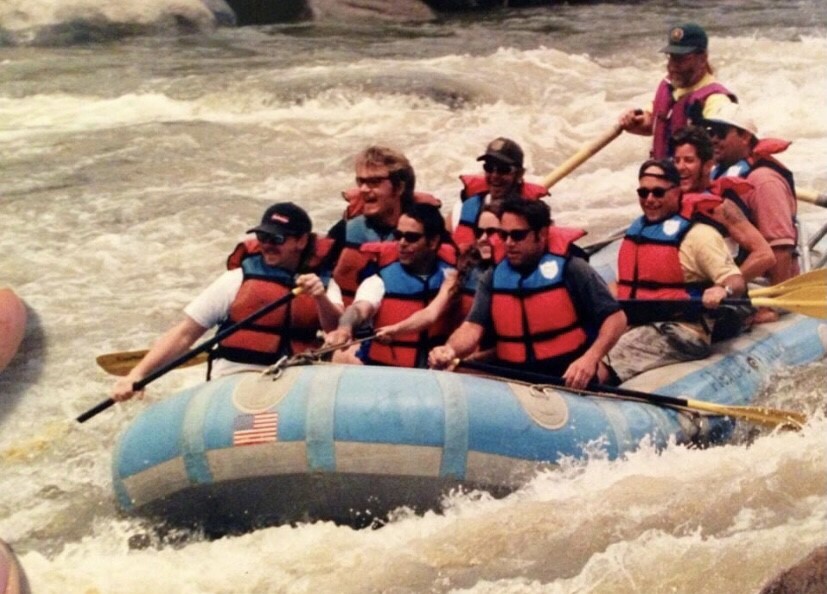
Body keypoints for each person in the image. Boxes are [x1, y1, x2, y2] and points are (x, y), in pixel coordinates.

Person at [111, 202, 340, 402]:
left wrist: (319, 298)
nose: (267, 244)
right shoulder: (236, 280)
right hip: (234, 382)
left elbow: (337, 332)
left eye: (277, 239)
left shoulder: (323, 285)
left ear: (300, 242)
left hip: (293, 382)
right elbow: (185, 333)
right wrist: (137, 375)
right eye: (262, 237)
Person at [430, 198, 627, 390]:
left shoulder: (572, 268)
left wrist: (590, 359)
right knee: (453, 370)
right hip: (514, 373)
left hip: (565, 373)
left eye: (517, 235)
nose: (508, 243)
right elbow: (472, 328)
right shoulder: (493, 277)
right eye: (503, 235)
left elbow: (616, 319)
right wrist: (450, 349)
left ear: (541, 234)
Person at [601, 160, 745, 384]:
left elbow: (736, 281)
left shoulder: (699, 236)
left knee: (601, 359)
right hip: (636, 322)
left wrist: (721, 290)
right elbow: (625, 285)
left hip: (681, 329)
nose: (650, 199)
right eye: (643, 192)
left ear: (677, 191)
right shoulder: (637, 233)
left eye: (658, 192)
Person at [325, 203, 459, 368]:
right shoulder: (379, 279)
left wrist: (396, 330)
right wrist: (345, 328)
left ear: (433, 242)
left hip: (435, 371)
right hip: (386, 372)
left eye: (411, 237)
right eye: (398, 235)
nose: (402, 243)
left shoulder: (451, 277)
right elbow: (359, 309)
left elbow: (430, 315)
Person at [374, 203, 503, 349]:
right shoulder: (461, 272)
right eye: (479, 232)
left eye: (491, 232)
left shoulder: (522, 274)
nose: (482, 239)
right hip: (466, 352)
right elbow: (430, 313)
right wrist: (395, 329)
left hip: (499, 357)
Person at [705, 103, 798, 295]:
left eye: (721, 132)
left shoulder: (764, 180)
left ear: (745, 136)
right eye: (710, 132)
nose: (713, 139)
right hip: (725, 274)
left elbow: (780, 249)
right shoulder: (717, 173)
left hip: (760, 283)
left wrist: (771, 306)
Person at [671, 126, 775, 281]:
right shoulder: (668, 200)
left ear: (707, 165)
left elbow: (765, 255)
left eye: (689, 160)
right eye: (676, 161)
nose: (680, 167)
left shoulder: (722, 206)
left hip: (717, 293)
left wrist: (726, 286)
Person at [619, 22, 737, 159]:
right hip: (662, 174)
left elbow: (724, 151)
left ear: (703, 58)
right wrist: (634, 120)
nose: (673, 66)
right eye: (671, 57)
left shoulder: (716, 100)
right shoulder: (670, 86)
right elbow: (654, 120)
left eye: (682, 59)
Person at [328, 146, 424, 307]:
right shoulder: (344, 231)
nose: (364, 189)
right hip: (350, 325)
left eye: (374, 182)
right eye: (361, 181)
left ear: (399, 187)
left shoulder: (426, 231)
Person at [451, 137, 548, 246]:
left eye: (503, 169)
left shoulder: (535, 214)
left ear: (519, 174)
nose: (494, 175)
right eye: (489, 167)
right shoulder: (464, 207)